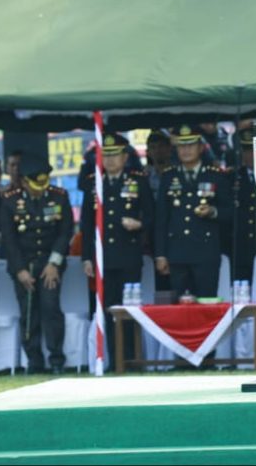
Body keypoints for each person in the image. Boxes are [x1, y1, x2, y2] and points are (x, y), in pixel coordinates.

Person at [80, 133, 153, 369]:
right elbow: (86, 224)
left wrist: (139, 224)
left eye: (115, 155)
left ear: (125, 156)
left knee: (129, 311)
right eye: (106, 156)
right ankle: (112, 360)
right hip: (103, 258)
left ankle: (131, 359)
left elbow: (153, 216)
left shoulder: (138, 180)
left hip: (129, 256)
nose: (110, 161)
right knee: (108, 310)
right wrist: (86, 257)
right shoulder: (95, 183)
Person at [0, 154, 73, 374]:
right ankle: (34, 360)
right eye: (35, 184)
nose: (40, 189)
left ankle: (57, 359)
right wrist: (20, 270)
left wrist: (54, 263)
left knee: (51, 308)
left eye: (44, 183)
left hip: (50, 263)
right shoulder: (10, 200)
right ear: (24, 181)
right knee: (29, 312)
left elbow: (65, 233)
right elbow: (9, 240)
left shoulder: (59, 196)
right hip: (24, 263)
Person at [154, 124, 230, 298]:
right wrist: (160, 255)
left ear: (201, 147)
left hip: (206, 253)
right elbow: (161, 219)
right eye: (181, 145)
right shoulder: (168, 177)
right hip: (177, 253)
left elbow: (230, 212)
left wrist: (213, 211)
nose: (186, 150)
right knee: (180, 310)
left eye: (190, 145)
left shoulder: (215, 175)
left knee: (206, 304)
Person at [230, 128, 256, 283]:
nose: (250, 155)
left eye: (253, 149)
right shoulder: (233, 177)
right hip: (240, 245)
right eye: (246, 150)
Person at [145, 129, 173, 196]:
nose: (157, 150)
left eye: (161, 146)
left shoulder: (178, 173)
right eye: (153, 147)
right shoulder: (145, 177)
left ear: (169, 149)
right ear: (148, 152)